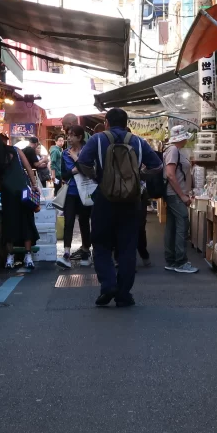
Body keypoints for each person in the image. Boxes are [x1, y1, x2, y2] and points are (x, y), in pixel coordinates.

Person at [76, 108, 162, 307]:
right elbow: (157, 166)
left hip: (105, 199)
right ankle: (123, 294)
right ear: (126, 123)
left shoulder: (97, 139)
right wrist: (137, 177)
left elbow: (83, 163)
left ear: (106, 122)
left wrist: (98, 177)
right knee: (127, 246)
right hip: (131, 201)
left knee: (101, 243)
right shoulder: (138, 142)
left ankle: (108, 285)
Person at [0, 133, 40, 271]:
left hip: (8, 195)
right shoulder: (15, 150)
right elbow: (28, 167)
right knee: (26, 221)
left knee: (9, 224)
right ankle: (28, 256)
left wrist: (4, 188)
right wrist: (33, 184)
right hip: (23, 192)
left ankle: (10, 256)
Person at [163, 125, 198, 273]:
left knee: (172, 226)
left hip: (173, 194)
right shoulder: (173, 150)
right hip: (175, 194)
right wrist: (183, 196)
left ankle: (171, 260)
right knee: (182, 224)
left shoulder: (173, 150)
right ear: (181, 138)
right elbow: (170, 174)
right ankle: (180, 261)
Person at [57, 126, 91, 268]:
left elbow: (88, 170)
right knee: (69, 222)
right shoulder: (64, 154)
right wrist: (74, 171)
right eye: (68, 135)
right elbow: (63, 175)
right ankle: (66, 254)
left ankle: (86, 252)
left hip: (85, 192)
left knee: (84, 222)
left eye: (72, 135)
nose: (69, 138)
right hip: (70, 192)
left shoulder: (87, 151)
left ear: (80, 137)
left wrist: (76, 159)